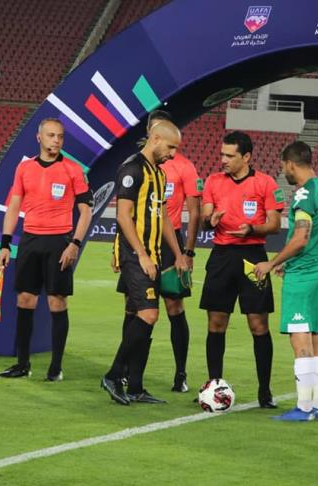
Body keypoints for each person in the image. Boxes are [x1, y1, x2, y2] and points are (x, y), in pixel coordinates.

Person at [0, 118, 93, 381]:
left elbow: (86, 211)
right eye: (51, 135)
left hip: (59, 241)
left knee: (56, 301)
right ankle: (22, 364)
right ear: (39, 137)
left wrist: (74, 243)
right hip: (30, 240)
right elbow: (14, 207)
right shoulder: (24, 168)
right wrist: (5, 243)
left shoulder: (73, 170)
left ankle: (56, 367)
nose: (56, 140)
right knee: (25, 300)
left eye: (60, 136)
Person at [101, 120, 189, 405]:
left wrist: (178, 253)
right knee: (149, 314)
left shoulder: (159, 174)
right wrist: (141, 253)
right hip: (135, 255)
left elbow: (164, 217)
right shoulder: (132, 169)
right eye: (171, 147)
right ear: (155, 138)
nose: (173, 154)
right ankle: (114, 375)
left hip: (154, 254)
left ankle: (136, 386)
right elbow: (123, 216)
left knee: (138, 316)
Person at [199, 130, 285, 408]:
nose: (223, 160)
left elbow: (275, 224)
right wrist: (211, 221)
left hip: (252, 258)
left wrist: (252, 229)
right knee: (216, 322)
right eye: (222, 154)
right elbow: (204, 218)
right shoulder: (213, 181)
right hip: (222, 256)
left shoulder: (265, 183)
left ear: (246, 157)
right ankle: (214, 387)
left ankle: (265, 391)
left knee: (258, 324)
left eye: (229, 155)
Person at [254, 141, 318, 421]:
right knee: (317, 336)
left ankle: (304, 408)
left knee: (300, 337)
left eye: (283, 166)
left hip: (305, 276)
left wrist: (272, 262)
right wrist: (287, 261)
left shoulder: (304, 194)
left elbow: (301, 238)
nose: (284, 171)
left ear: (290, 164)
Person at [140, 110, 202, 393]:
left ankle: (180, 373)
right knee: (136, 308)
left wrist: (187, 252)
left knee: (174, 307)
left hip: (170, 242)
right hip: (141, 240)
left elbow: (194, 211)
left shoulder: (184, 167)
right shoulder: (137, 165)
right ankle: (130, 373)